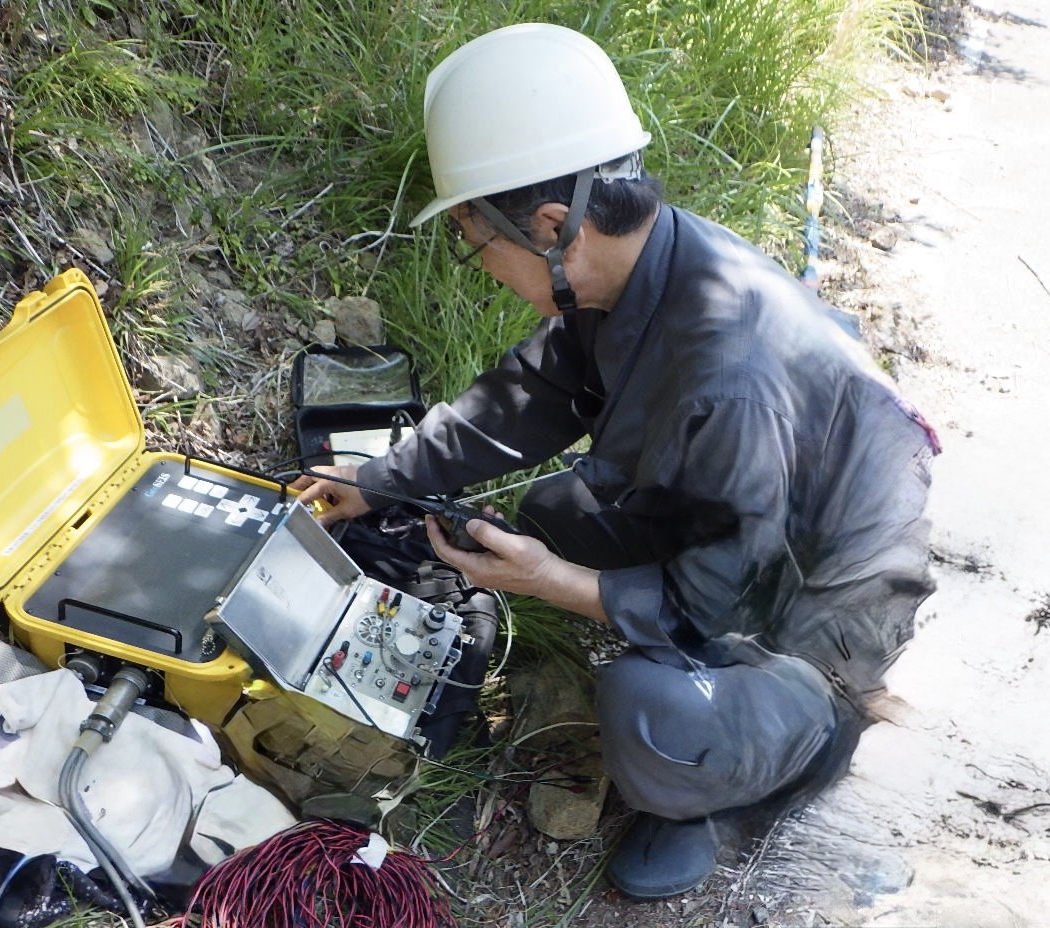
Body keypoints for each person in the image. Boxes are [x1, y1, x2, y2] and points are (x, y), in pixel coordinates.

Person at [294, 22, 939, 900]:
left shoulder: (729, 375)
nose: (479, 265)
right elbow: (530, 396)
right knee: (556, 512)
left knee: (648, 710)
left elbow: (719, 595)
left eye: (477, 242)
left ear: (553, 226)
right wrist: (374, 482)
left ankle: (775, 760)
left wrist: (554, 583)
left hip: (815, 613)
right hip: (741, 517)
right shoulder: (644, 264)